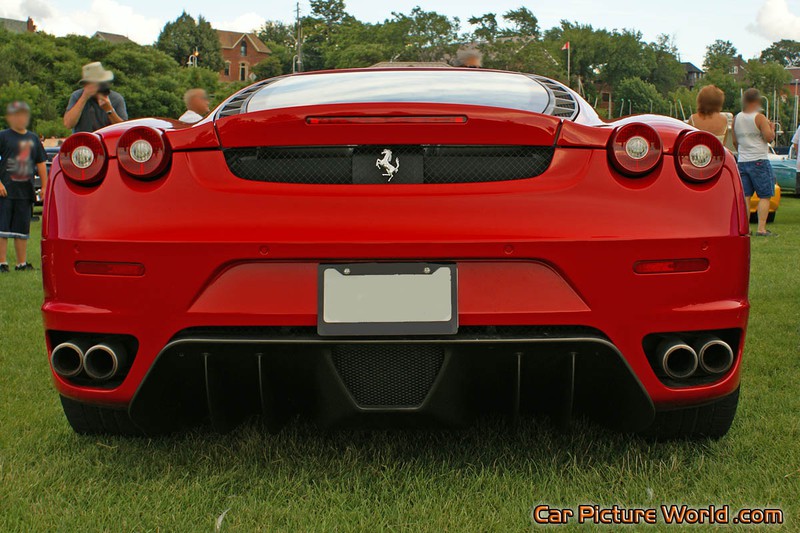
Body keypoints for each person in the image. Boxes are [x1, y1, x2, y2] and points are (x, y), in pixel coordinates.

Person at [0, 101, 47, 273]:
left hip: (25, 191)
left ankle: (21, 264)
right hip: (5, 190)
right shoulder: (3, 136)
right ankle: (2, 264)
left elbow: (41, 163)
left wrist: (44, 186)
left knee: (22, 229)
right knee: (2, 228)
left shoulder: (33, 138)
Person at [733, 88, 776, 237]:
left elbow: (734, 141)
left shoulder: (736, 118)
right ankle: (761, 229)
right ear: (757, 101)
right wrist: (771, 128)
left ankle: (745, 229)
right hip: (759, 159)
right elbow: (769, 138)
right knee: (765, 195)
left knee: (746, 195)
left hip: (743, 160)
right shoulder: (759, 117)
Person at [63, 62, 128, 133]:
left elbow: (123, 129)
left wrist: (109, 110)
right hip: (83, 141)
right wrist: (84, 97)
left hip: (107, 140)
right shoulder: (77, 96)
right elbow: (68, 124)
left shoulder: (116, 98)